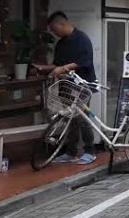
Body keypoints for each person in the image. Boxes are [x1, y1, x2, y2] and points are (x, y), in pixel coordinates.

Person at [34, 12, 98, 164]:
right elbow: (57, 64)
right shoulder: (61, 43)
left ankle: (90, 150)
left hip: (82, 85)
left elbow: (85, 61)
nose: (53, 32)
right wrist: (43, 68)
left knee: (82, 118)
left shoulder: (82, 39)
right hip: (65, 85)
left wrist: (63, 68)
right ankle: (71, 151)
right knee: (70, 119)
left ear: (61, 24)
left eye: (53, 28)